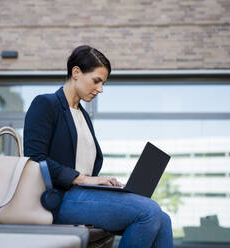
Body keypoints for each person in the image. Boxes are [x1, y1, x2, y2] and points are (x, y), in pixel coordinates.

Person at [23, 45, 173, 248]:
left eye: (103, 83)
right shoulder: (46, 104)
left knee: (163, 219)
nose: (100, 89)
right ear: (76, 72)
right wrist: (83, 178)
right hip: (57, 198)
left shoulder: (83, 116)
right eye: (96, 80)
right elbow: (35, 158)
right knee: (148, 211)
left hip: (83, 194)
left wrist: (100, 182)